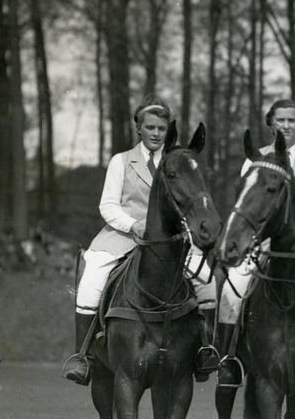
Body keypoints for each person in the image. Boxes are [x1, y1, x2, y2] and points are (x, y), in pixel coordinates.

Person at [63, 97, 216, 385]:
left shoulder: (176, 162)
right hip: (121, 237)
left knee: (207, 279)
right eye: (150, 127)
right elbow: (108, 205)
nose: (156, 133)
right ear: (139, 129)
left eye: (162, 128)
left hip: (169, 244)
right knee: (91, 282)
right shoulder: (121, 161)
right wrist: (134, 224)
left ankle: (205, 350)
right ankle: (83, 357)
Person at [214, 99, 295, 389]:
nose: (286, 125)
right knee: (233, 292)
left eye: (291, 120)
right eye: (280, 120)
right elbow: (246, 205)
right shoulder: (255, 159)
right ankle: (228, 360)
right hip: (262, 245)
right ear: (270, 123)